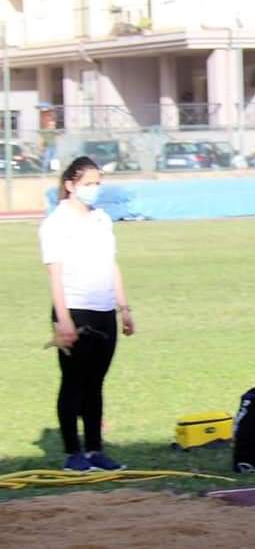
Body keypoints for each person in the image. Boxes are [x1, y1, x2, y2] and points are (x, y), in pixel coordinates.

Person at [39, 156, 135, 471]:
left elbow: (111, 264)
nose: (93, 189)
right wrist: (64, 319)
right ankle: (73, 453)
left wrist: (124, 308)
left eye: (97, 183)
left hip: (104, 310)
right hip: (75, 310)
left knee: (95, 383)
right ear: (70, 185)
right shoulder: (56, 223)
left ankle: (95, 449)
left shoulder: (102, 219)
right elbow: (55, 274)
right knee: (73, 382)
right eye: (87, 183)